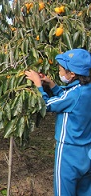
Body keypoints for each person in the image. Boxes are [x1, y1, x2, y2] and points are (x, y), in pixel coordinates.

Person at [25, 48, 91, 196]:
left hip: (69, 151)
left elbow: (46, 105)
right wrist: (52, 84)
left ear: (72, 74)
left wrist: (38, 85)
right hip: (86, 151)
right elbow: (67, 100)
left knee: (64, 191)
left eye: (61, 70)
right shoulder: (85, 90)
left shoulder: (74, 94)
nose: (59, 72)